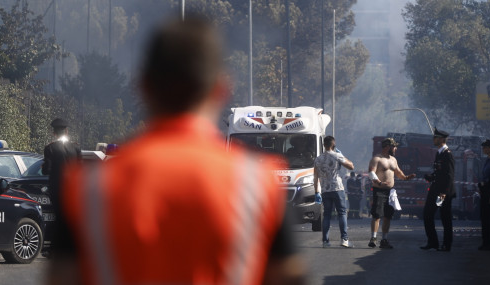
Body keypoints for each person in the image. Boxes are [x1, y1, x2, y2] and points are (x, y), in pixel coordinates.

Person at [47, 15, 305, 285]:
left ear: (143, 86)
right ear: (221, 89)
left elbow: (61, 276)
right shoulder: (259, 185)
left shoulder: (88, 189)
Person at [367, 137, 416, 249]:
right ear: (388, 147)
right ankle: (373, 238)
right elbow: (371, 173)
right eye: (394, 146)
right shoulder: (377, 159)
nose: (396, 148)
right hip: (379, 190)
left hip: (390, 191)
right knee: (377, 215)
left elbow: (398, 172)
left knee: (388, 216)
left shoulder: (393, 160)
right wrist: (379, 182)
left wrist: (406, 177)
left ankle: (384, 239)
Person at [313, 135, 355, 248]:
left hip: (325, 189)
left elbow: (315, 177)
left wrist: (317, 191)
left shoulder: (318, 159)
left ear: (324, 145)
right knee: (342, 213)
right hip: (337, 188)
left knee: (326, 215)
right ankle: (344, 239)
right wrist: (342, 155)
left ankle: (325, 241)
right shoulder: (337, 155)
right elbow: (351, 166)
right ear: (333, 145)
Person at [420, 128, 455, 252]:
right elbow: (439, 172)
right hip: (435, 190)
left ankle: (447, 244)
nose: (433, 140)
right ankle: (433, 242)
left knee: (445, 217)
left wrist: (444, 192)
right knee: (427, 214)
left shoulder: (447, 154)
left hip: (442, 193)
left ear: (441, 139)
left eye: (435, 138)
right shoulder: (438, 153)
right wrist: (431, 176)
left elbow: (449, 176)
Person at [41, 117, 81, 208]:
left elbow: (46, 170)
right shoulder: (76, 147)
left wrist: (43, 167)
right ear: (66, 131)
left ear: (54, 133)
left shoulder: (50, 148)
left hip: (57, 189)